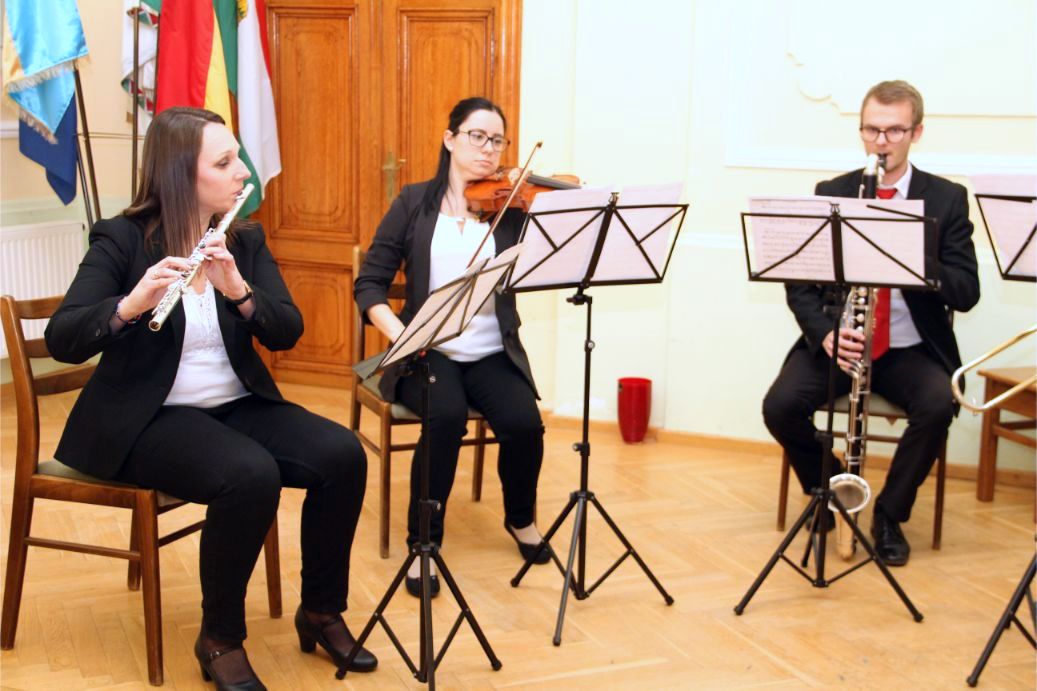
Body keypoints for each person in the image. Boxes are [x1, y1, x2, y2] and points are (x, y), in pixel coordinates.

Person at [45, 107, 376, 690]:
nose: (243, 172)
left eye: (237, 157)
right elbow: (63, 338)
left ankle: (321, 611)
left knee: (342, 454)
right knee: (249, 475)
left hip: (236, 404)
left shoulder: (243, 239)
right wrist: (130, 305)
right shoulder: (122, 238)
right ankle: (219, 638)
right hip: (148, 419)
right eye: (224, 163)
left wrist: (240, 293)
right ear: (181, 174)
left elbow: (287, 330)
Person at [762, 80, 980, 566]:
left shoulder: (947, 199)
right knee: (779, 406)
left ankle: (888, 514)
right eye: (871, 130)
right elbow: (800, 284)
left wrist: (914, 256)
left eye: (895, 131)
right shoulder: (833, 192)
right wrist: (825, 334)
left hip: (909, 348)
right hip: (842, 342)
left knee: (938, 404)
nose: (881, 142)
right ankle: (830, 490)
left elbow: (967, 292)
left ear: (916, 132)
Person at [354, 96, 548, 597]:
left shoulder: (510, 207)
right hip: (427, 352)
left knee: (524, 424)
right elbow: (370, 283)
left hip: (490, 352)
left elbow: (545, 260)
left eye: (497, 140)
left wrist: (545, 206)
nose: (488, 149)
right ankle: (423, 543)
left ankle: (521, 518)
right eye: (476, 136)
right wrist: (401, 336)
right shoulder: (413, 203)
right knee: (445, 419)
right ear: (450, 139)